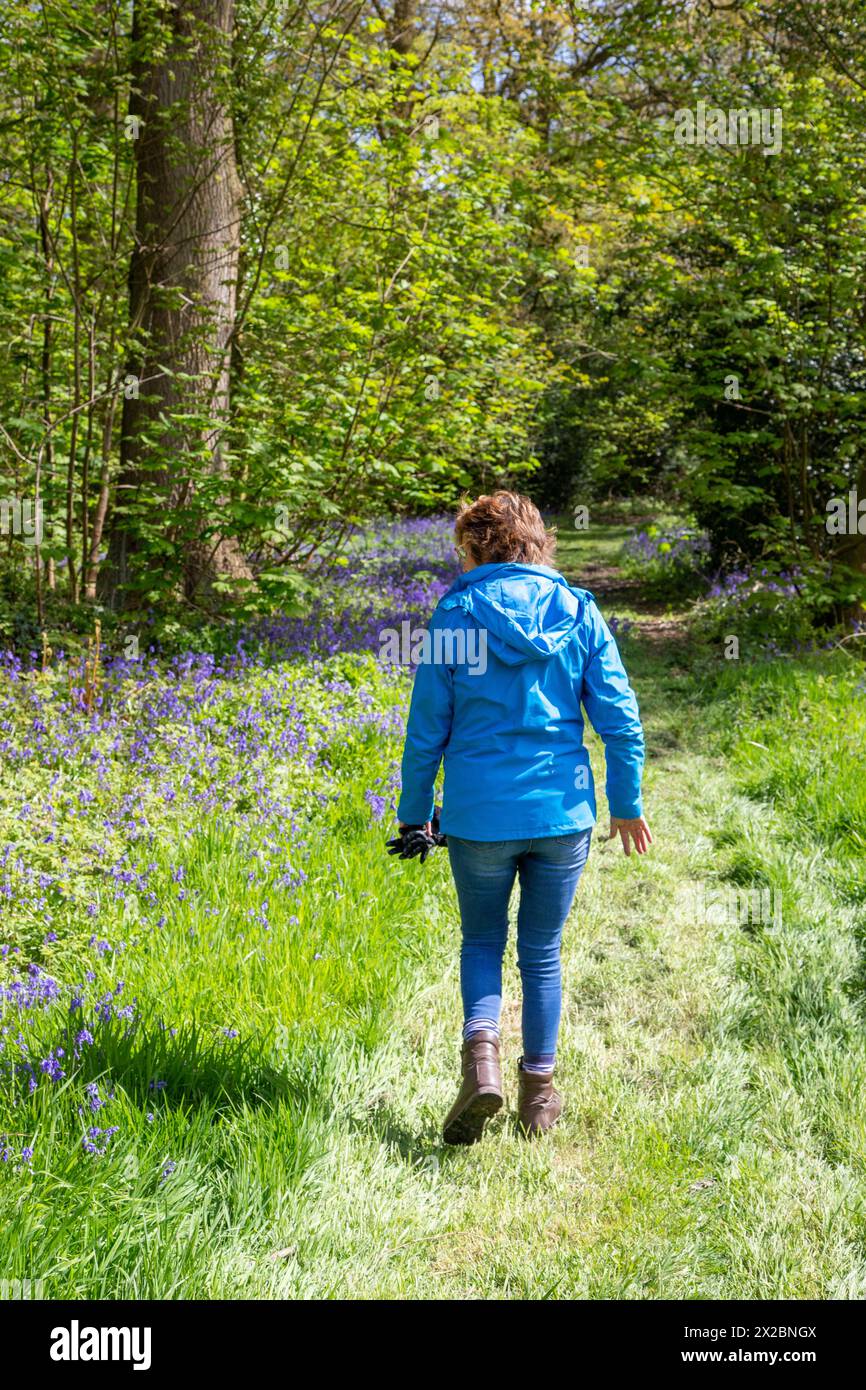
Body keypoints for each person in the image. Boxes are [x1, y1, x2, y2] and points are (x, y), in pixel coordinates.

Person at [395, 491, 651, 1143]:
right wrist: (626, 804)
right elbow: (621, 722)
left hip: (479, 816)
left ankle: (480, 1066)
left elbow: (427, 730)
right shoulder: (578, 611)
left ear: (475, 547)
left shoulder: (455, 615)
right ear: (538, 542)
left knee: (482, 940)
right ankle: (538, 1096)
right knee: (541, 951)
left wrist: (415, 816)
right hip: (560, 812)